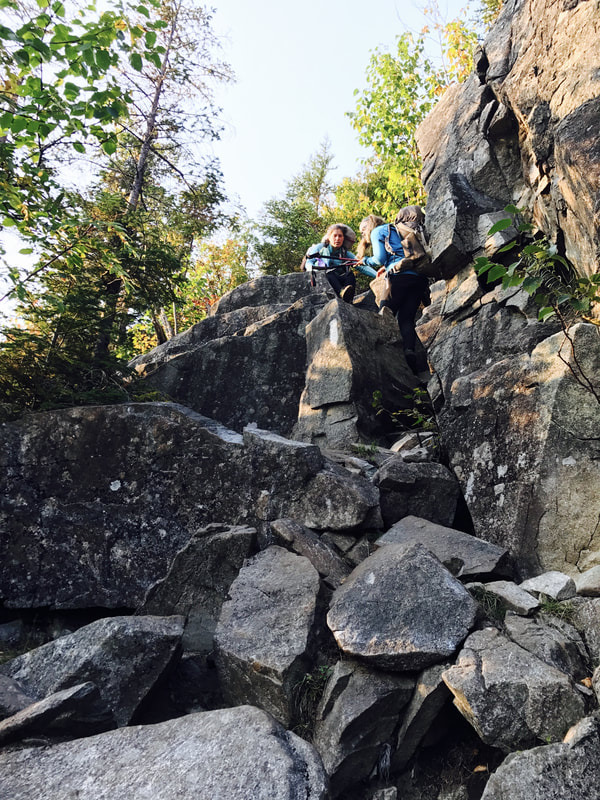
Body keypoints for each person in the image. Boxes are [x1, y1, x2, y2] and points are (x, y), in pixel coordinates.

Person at [356, 207, 430, 372]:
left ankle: (388, 359)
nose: (363, 235)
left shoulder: (377, 232)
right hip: (418, 277)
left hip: (399, 277)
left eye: (363, 230)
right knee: (406, 318)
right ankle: (409, 351)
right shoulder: (395, 228)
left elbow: (379, 258)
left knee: (385, 313)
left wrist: (365, 261)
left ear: (370, 225)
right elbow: (396, 253)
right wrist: (385, 266)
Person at [305, 223, 377, 302]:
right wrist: (312, 272)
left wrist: (377, 275)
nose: (337, 238)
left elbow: (361, 265)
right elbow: (309, 262)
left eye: (340, 236)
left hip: (338, 280)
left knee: (350, 275)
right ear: (329, 237)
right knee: (329, 273)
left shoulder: (345, 253)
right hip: (324, 278)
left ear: (343, 238)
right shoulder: (320, 247)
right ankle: (342, 293)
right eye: (335, 236)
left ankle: (347, 297)